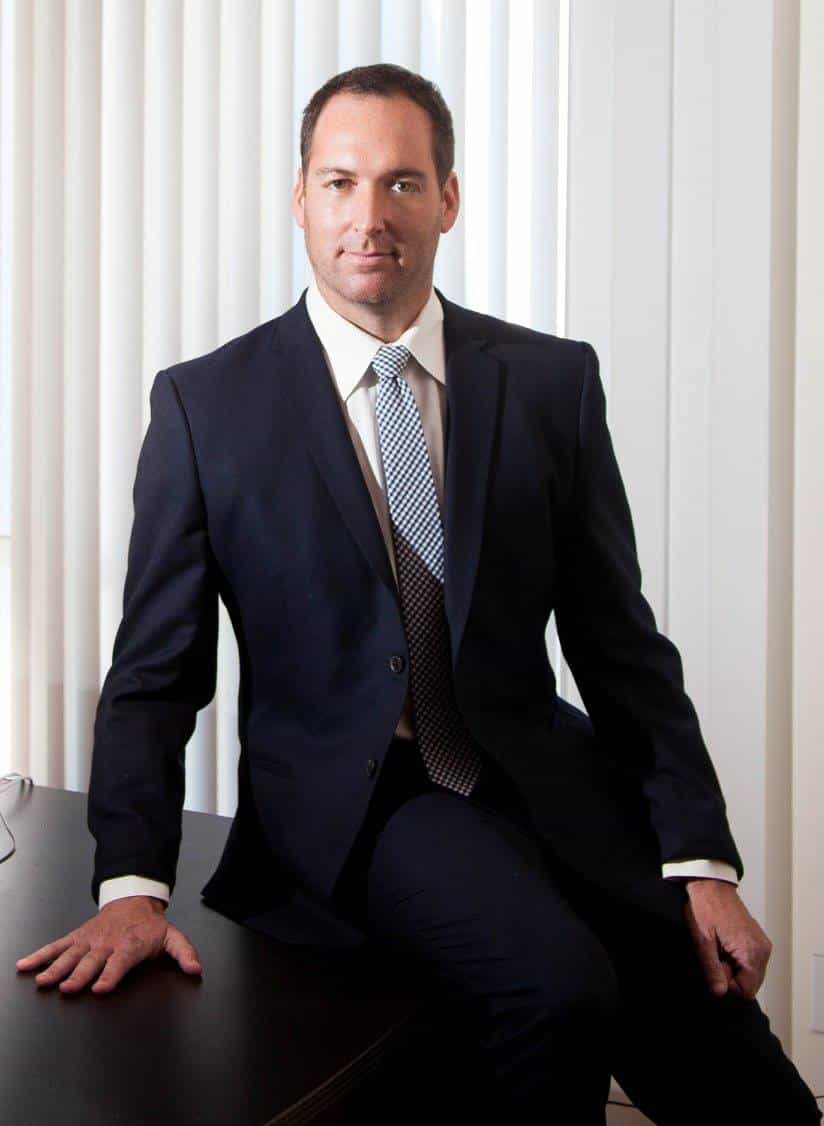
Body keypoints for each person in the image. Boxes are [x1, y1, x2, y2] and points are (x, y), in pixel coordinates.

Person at [16, 63, 820, 1123]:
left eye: (401, 183)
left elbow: (619, 642)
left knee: (732, 1051)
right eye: (340, 183)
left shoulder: (548, 383)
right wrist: (130, 884)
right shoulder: (208, 406)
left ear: (447, 198)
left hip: (539, 768)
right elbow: (154, 675)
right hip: (366, 799)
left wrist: (698, 856)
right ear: (299, 198)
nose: (369, 216)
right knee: (557, 986)